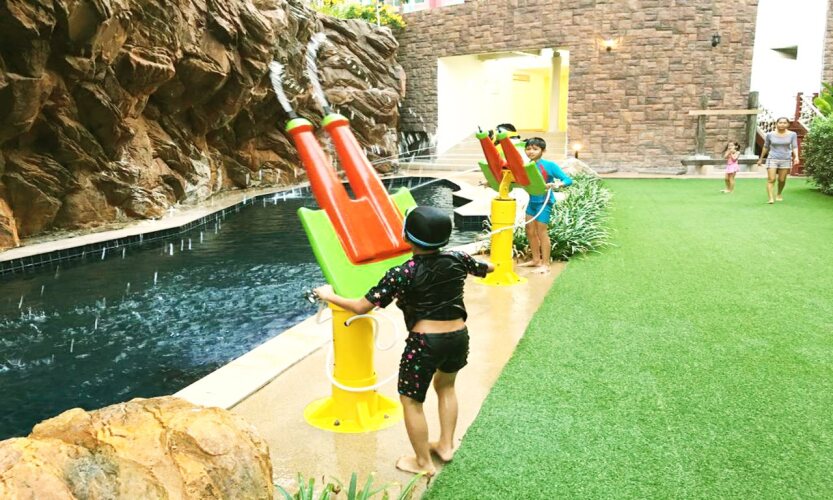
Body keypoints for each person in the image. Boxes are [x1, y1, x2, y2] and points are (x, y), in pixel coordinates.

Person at [313, 206, 494, 476]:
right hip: (458, 337)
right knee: (446, 387)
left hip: (425, 343)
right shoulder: (458, 258)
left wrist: (327, 294)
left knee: (411, 400)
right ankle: (446, 446)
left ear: (407, 236)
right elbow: (488, 267)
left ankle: (422, 462)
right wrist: (476, 265)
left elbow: (361, 306)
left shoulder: (402, 273)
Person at [518, 137, 573, 274]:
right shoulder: (527, 166)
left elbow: (568, 180)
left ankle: (546, 264)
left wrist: (556, 184)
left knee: (541, 232)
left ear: (543, 150)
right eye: (528, 149)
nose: (531, 152)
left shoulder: (549, 165)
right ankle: (536, 260)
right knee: (529, 231)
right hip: (532, 202)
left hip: (544, 202)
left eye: (535, 149)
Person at [757, 117, 799, 204]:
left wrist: (796, 157)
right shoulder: (770, 134)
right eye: (780, 122)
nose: (782, 124)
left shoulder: (792, 134)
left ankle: (779, 193)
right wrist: (761, 158)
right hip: (772, 158)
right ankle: (771, 198)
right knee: (771, 179)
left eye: (784, 123)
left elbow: (794, 146)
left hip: (786, 159)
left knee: (782, 180)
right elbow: (766, 146)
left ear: (788, 124)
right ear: (776, 124)